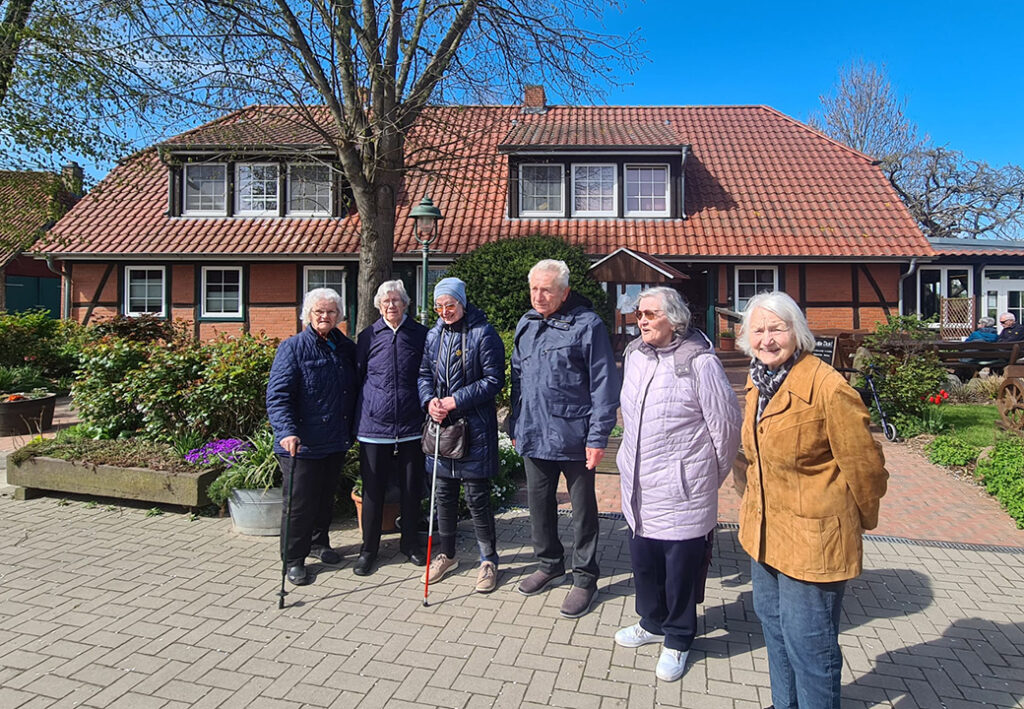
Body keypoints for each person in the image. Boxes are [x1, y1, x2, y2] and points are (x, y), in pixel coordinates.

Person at [736, 291, 888, 709]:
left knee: (810, 646)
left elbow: (865, 467)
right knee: (776, 631)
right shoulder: (757, 380)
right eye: (759, 329)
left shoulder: (827, 386)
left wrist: (854, 524)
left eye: (777, 329)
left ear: (797, 332)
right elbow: (750, 457)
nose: (767, 339)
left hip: (813, 540)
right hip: (764, 534)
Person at [614, 287, 742, 682]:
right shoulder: (635, 354)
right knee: (644, 564)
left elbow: (726, 428)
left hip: (682, 487)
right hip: (639, 483)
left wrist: (703, 477)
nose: (643, 320)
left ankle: (679, 638)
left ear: (675, 319)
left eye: (651, 314)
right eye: (640, 314)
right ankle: (652, 623)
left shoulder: (699, 361)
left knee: (680, 570)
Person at [510, 259, 620, 618]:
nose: (538, 297)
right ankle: (550, 563)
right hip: (533, 432)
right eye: (534, 289)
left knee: (583, 511)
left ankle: (585, 577)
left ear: (565, 292)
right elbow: (517, 380)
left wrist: (598, 435)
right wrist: (515, 423)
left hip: (575, 436)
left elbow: (605, 385)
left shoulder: (588, 326)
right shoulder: (526, 325)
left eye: (547, 290)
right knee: (539, 506)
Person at [417, 277, 505, 593]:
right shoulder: (433, 336)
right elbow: (424, 374)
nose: (444, 311)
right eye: (439, 306)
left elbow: (495, 380)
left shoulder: (484, 334)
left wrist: (457, 400)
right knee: (443, 497)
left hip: (475, 431)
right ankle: (448, 554)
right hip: (442, 431)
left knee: (477, 499)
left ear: (462, 303)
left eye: (450, 305)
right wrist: (430, 402)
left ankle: (488, 560)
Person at [266, 287, 358, 586]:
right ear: (308, 314)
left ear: (339, 316)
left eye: (331, 312)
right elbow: (278, 396)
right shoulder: (292, 348)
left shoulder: (345, 347)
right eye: (319, 311)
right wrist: (286, 431)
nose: (325, 316)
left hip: (334, 439)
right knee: (299, 504)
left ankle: (320, 544)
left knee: (324, 498)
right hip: (302, 443)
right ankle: (293, 559)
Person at [353, 279, 429, 576]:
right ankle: (368, 550)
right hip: (374, 427)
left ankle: (409, 544)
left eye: (396, 300)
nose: (391, 305)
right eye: (386, 301)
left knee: (412, 489)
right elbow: (358, 378)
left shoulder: (420, 335)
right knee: (373, 491)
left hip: (411, 424)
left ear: (406, 304)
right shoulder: (368, 337)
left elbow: (428, 374)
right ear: (378, 306)